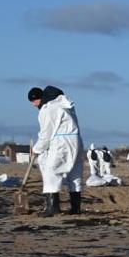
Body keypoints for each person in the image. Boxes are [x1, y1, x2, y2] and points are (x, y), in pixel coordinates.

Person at [28, 85, 85, 216]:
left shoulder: (48, 109)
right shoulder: (66, 105)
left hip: (61, 142)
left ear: (39, 98)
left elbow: (46, 133)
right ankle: (76, 208)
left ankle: (52, 207)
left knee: (51, 171)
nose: (33, 105)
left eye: (33, 101)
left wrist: (37, 149)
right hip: (76, 140)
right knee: (75, 173)